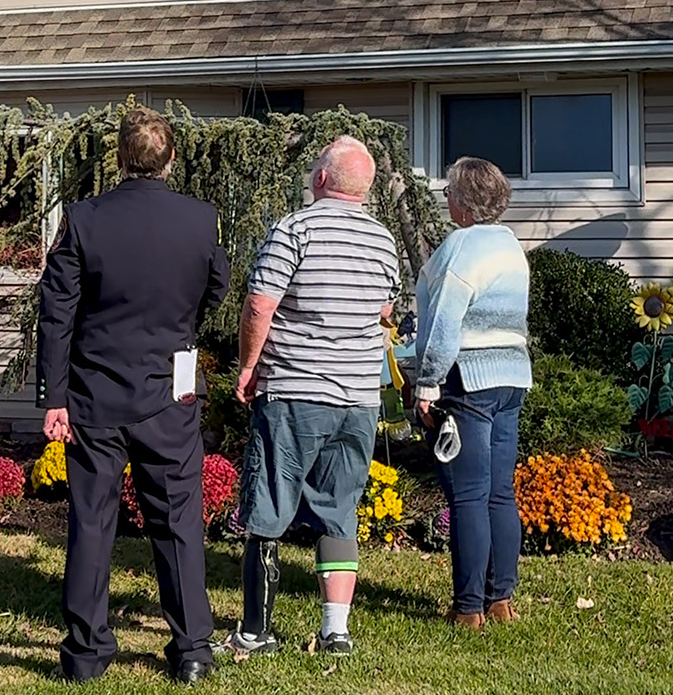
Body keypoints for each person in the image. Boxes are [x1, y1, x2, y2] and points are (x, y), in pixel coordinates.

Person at [36, 107, 230, 685]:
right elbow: (217, 286)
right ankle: (192, 648)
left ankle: (86, 654)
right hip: (171, 391)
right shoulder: (201, 221)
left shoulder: (83, 219)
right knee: (177, 522)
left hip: (94, 393)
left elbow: (56, 313)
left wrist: (54, 395)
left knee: (92, 524)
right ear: (171, 159)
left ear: (119, 157)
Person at [219, 136, 401, 658]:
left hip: (296, 390)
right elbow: (385, 311)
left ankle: (255, 631)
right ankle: (336, 631)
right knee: (340, 509)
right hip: (360, 399)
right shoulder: (384, 242)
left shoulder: (293, 229)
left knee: (270, 505)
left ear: (321, 179)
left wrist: (249, 366)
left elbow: (259, 306)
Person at [412, 156, 533, 631]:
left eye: (447, 193)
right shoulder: (510, 245)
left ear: (462, 202)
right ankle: (500, 598)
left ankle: (468, 608)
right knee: (499, 493)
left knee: (467, 496)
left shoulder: (460, 248)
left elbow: (443, 326)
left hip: (467, 380)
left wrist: (426, 384)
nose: (444, 199)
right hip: (511, 377)